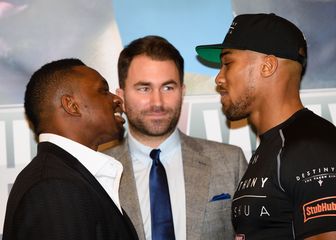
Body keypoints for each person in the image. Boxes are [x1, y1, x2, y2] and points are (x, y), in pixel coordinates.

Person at [195, 13, 336, 239]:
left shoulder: (312, 148)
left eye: (227, 63)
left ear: (267, 66)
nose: (218, 79)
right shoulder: (276, 146)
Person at [104, 35, 247, 240]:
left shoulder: (230, 162)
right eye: (144, 88)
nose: (157, 102)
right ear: (122, 97)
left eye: (168, 87)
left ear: (183, 92)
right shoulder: (99, 172)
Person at [2, 58, 138, 240]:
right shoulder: (53, 188)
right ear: (72, 106)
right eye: (103, 91)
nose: (117, 99)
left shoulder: (62, 178)